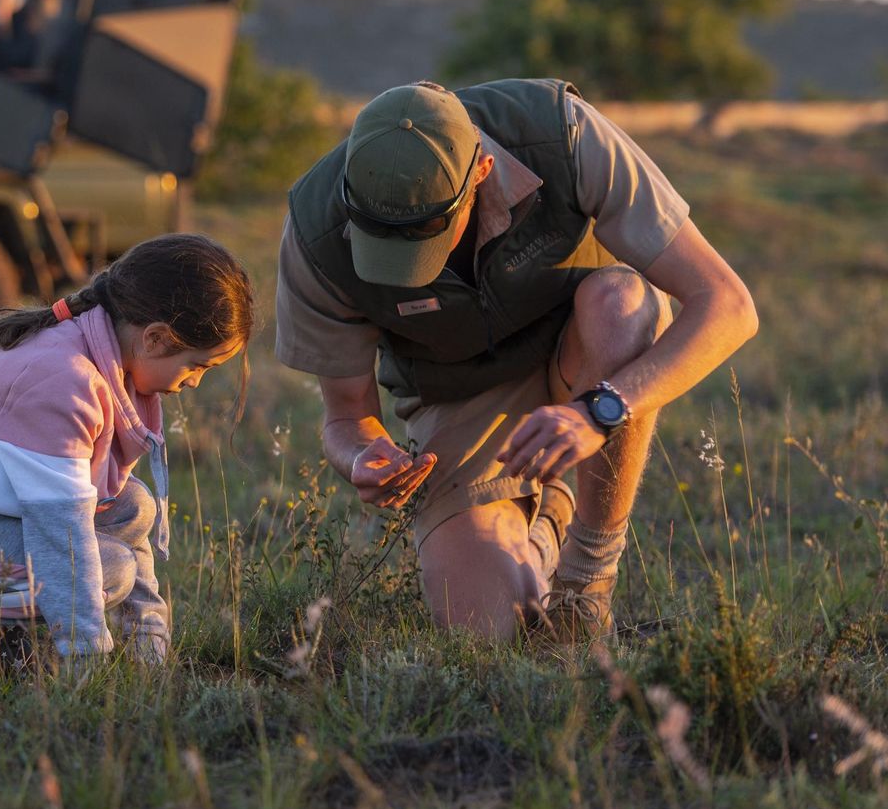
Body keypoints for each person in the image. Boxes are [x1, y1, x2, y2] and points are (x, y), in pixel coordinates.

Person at [275, 79, 758, 642]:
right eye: (384, 241)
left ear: (480, 172)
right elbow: (346, 417)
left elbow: (728, 306)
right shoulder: (315, 232)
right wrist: (360, 457)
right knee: (484, 630)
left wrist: (601, 410)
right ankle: (547, 511)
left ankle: (586, 581)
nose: (410, 263)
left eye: (426, 236)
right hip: (455, 399)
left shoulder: (564, 137)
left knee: (622, 304)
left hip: (586, 362)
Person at [0, 233, 256, 663]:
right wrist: (87, 664)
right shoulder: (63, 380)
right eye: (197, 365)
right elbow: (62, 535)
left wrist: (150, 646)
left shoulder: (100, 361)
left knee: (134, 504)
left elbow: (106, 513)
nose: (194, 382)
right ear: (153, 338)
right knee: (108, 571)